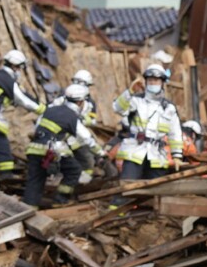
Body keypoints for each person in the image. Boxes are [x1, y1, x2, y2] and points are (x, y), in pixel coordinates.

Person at [110, 64, 183, 208]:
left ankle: (150, 220)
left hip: (157, 154)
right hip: (134, 151)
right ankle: (114, 216)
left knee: (157, 190)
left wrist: (177, 156)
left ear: (162, 82)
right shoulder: (136, 100)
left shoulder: (169, 107)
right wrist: (130, 91)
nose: (153, 83)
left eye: (156, 80)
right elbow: (117, 108)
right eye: (150, 80)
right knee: (127, 187)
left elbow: (175, 132)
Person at [23, 84, 104, 207]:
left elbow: (38, 127)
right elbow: (86, 138)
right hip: (51, 151)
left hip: (34, 148)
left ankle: (28, 208)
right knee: (74, 170)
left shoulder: (50, 109)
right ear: (80, 102)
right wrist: (101, 152)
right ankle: (60, 200)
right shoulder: (71, 116)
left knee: (35, 179)